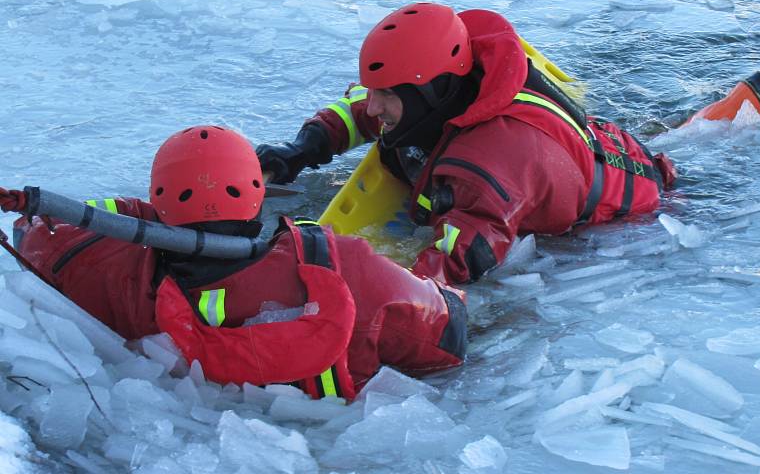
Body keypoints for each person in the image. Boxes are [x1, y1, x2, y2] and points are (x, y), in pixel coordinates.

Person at [255, 3, 760, 286]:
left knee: (682, 155)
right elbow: (369, 115)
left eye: (387, 95)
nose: (372, 106)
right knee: (663, 141)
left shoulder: (490, 165)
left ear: (431, 93)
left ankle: (735, 121)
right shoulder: (450, 86)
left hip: (637, 209)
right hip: (589, 149)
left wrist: (379, 288)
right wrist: (304, 148)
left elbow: (463, 258)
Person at [0, 125, 467, 400]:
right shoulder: (347, 269)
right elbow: (448, 334)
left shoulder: (103, 267)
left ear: (158, 199)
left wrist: (142, 214)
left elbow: (41, 234)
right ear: (258, 192)